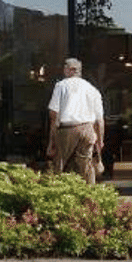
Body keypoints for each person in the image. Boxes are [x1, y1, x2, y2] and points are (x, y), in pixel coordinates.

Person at [46, 57, 106, 185]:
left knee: (61, 165)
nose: (64, 72)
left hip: (68, 129)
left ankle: (61, 196)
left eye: (65, 69)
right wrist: (100, 141)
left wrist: (51, 141)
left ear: (71, 70)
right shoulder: (93, 89)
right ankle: (90, 198)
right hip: (88, 129)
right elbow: (100, 121)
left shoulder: (61, 86)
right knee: (87, 167)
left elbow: (53, 114)